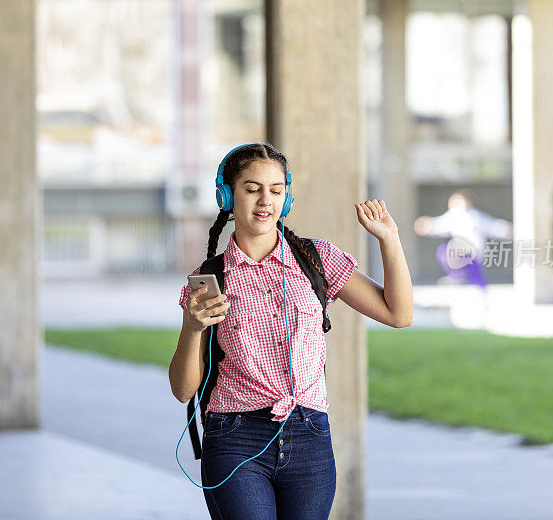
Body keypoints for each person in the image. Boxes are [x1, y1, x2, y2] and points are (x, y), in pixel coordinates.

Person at [170, 143, 413, 519]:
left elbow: (398, 314)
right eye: (252, 189)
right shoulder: (210, 281)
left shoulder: (315, 259)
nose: (265, 200)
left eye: (276, 189)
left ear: (287, 197)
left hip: (309, 437)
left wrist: (389, 239)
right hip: (235, 437)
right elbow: (183, 388)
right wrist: (192, 325)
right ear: (226, 196)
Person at [413, 190, 512, 290]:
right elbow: (439, 225)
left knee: (475, 277)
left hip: (473, 252)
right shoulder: (452, 216)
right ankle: (457, 275)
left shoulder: (475, 217)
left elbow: (492, 226)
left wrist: (507, 231)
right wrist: (427, 226)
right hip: (460, 252)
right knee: (444, 251)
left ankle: (480, 292)